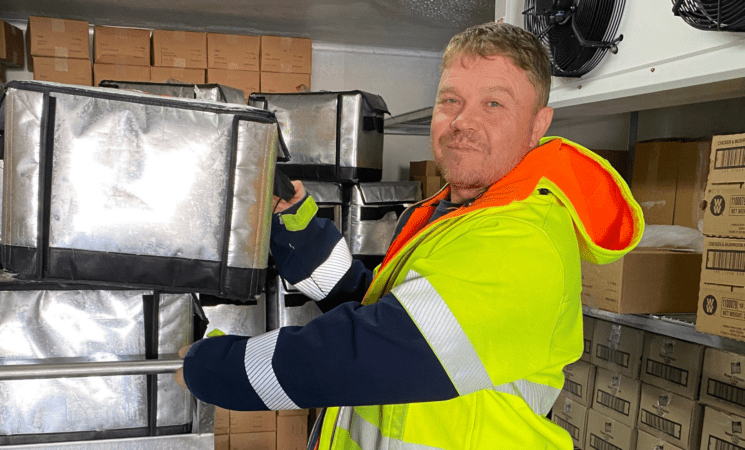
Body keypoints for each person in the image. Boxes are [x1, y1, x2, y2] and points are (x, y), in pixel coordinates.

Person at [175, 22, 643, 449]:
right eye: (450, 100)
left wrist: (215, 369)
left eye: (494, 103)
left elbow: (374, 353)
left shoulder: (524, 236)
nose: (463, 122)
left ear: (538, 126)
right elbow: (375, 307)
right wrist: (298, 227)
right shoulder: (454, 213)